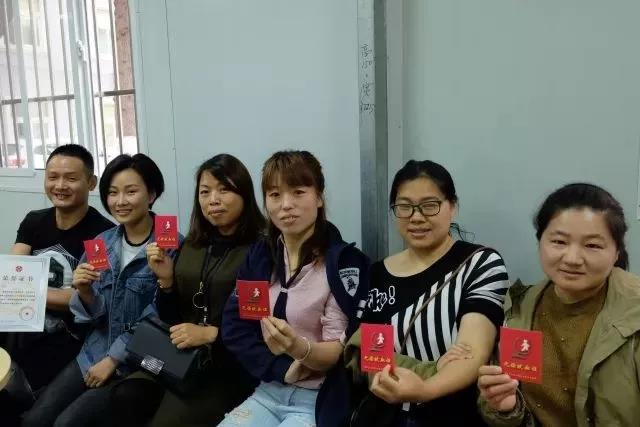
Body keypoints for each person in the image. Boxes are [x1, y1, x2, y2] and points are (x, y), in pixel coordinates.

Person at [345, 159, 510, 426]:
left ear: (452, 207)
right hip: (384, 416)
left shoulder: (480, 263)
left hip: (453, 416)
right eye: (404, 206)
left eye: (430, 205)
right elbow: (369, 356)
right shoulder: (377, 273)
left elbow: (472, 353)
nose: (416, 217)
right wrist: (432, 368)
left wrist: (425, 389)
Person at [22, 153, 176, 427]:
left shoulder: (170, 245)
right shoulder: (101, 243)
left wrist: (114, 359)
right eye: (113, 193)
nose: (120, 201)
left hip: (138, 360)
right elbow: (94, 316)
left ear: (151, 195)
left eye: (131, 192)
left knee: (66, 423)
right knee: (35, 420)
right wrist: (85, 292)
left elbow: (161, 315)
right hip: (93, 351)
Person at [109, 154, 264, 426]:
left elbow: (260, 325)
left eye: (224, 190)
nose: (213, 200)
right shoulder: (193, 244)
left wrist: (212, 334)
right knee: (126, 395)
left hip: (226, 367)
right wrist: (167, 282)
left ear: (244, 194)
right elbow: (170, 317)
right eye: (205, 192)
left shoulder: (261, 250)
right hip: (177, 356)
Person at [219, 150, 370, 427]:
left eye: (298, 192)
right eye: (275, 195)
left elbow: (337, 352)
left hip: (318, 399)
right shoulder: (261, 255)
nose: (286, 205)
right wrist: (282, 368)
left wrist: (298, 348)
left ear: (319, 197)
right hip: (268, 390)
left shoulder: (343, 263)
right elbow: (235, 326)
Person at [478, 183, 639, 426]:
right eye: (559, 242)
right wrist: (506, 408)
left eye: (592, 245)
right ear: (540, 241)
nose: (572, 259)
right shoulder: (520, 307)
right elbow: (511, 411)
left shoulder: (634, 313)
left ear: (617, 251)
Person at [4, 144, 114, 392]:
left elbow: (89, 299)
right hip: (21, 320)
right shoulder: (34, 220)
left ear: (91, 183)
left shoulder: (102, 235)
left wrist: (24, 293)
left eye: (71, 178)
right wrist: (19, 291)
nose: (60, 186)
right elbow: (10, 276)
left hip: (68, 335)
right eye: (53, 177)